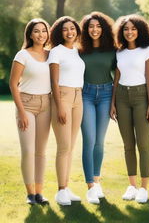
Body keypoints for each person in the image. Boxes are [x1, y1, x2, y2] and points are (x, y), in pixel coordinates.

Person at [110, 14, 149, 204]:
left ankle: (144, 188)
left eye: (133, 29)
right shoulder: (119, 52)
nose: (129, 32)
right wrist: (112, 102)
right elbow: (117, 79)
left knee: (143, 144)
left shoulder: (147, 51)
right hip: (121, 97)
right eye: (126, 29)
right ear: (122, 32)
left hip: (141, 97)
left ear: (140, 30)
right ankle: (132, 185)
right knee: (128, 145)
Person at [9, 18, 51, 204]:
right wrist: (22, 112)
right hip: (26, 104)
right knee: (28, 150)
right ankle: (30, 193)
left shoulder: (51, 55)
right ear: (30, 34)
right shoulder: (22, 55)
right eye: (36, 31)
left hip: (46, 104)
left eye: (43, 30)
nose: (40, 34)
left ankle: (39, 193)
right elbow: (12, 84)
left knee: (41, 152)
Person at [79, 12, 116, 204]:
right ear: (86, 30)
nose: (95, 30)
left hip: (106, 94)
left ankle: (97, 179)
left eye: (98, 26)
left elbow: (118, 74)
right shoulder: (79, 50)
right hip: (85, 94)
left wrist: (113, 102)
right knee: (89, 139)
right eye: (91, 26)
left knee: (99, 142)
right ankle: (90, 186)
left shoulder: (112, 50)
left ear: (104, 28)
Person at [48, 16, 85, 206]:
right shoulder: (56, 52)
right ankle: (60, 191)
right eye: (65, 29)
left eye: (72, 28)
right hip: (62, 97)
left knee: (70, 146)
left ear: (77, 31)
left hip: (79, 97)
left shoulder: (77, 51)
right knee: (63, 147)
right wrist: (60, 105)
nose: (69, 32)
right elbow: (54, 81)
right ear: (59, 32)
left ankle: (67, 186)